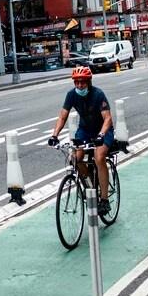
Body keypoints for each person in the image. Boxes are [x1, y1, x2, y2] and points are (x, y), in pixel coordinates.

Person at [47, 66, 116, 216]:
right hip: (84, 130)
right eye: (76, 82)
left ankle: (104, 199)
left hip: (103, 131)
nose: (79, 85)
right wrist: (54, 135)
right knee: (75, 159)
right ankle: (90, 183)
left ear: (89, 81)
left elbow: (108, 118)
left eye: (82, 82)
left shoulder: (98, 94)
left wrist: (101, 134)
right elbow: (62, 116)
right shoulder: (71, 95)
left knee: (99, 157)